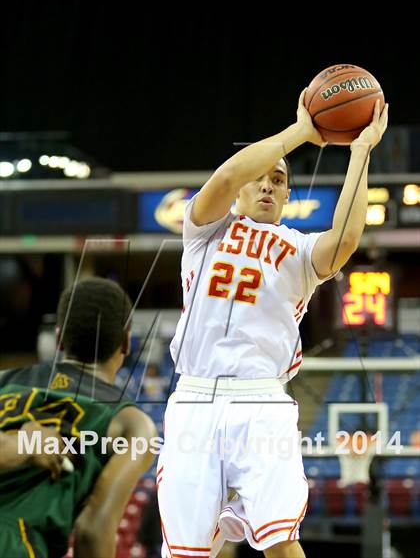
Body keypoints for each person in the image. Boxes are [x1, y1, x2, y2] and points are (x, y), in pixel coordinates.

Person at [157, 92, 388, 558]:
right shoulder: (203, 228)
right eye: (258, 177)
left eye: (278, 180)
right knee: (188, 551)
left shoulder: (300, 250)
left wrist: (360, 152)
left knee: (282, 544)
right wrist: (302, 132)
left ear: (287, 196)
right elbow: (225, 174)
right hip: (194, 397)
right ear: (241, 188)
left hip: (261, 399)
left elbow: (345, 237)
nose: (266, 185)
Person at [0, 277, 156, 558]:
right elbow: (92, 532)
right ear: (125, 344)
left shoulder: (4, 380)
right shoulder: (133, 424)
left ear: (59, 338)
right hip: (16, 542)